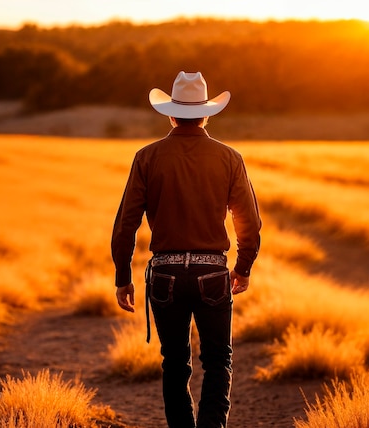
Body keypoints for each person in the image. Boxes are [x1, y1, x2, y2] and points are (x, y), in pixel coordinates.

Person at [111, 71, 261, 428]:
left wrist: (122, 276)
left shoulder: (147, 157)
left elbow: (125, 224)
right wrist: (242, 268)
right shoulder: (229, 158)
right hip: (212, 272)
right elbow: (249, 224)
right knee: (218, 361)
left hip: (164, 273)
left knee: (174, 362)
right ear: (207, 114)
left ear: (170, 113)